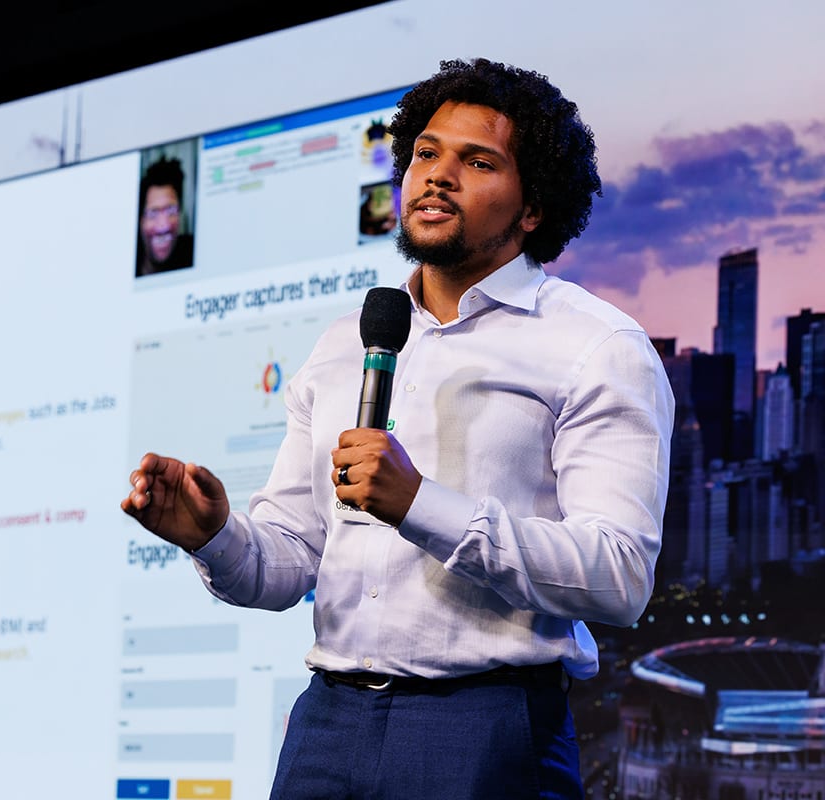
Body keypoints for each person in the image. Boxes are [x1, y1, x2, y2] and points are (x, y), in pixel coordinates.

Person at [122, 57, 674, 799]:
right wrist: (214, 536)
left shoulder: (594, 346)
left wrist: (420, 503)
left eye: (477, 162)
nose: (438, 176)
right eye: (425, 154)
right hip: (326, 720)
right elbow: (287, 564)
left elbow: (618, 576)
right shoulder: (345, 343)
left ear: (533, 207)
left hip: (486, 722)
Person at [135, 155, 194, 276]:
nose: (164, 226)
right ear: (140, 220)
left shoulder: (193, 253)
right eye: (153, 213)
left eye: (171, 211)